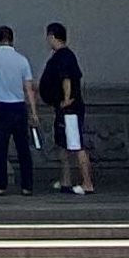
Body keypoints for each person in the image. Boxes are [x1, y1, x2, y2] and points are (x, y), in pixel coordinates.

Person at [0, 24, 34, 195]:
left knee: (1, 148)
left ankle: (0, 185)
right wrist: (33, 111)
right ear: (12, 39)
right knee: (23, 148)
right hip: (19, 106)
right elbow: (28, 88)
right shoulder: (22, 59)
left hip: (2, 105)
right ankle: (27, 185)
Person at [41, 22, 92, 196]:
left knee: (76, 145)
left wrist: (66, 99)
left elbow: (66, 79)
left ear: (52, 36)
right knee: (63, 145)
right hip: (64, 108)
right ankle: (65, 180)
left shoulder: (64, 57)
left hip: (70, 109)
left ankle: (87, 183)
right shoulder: (62, 56)